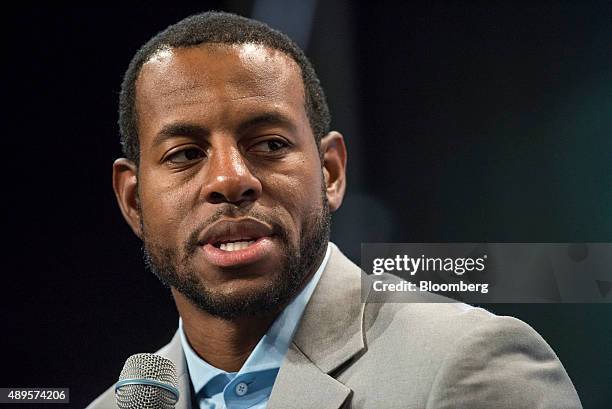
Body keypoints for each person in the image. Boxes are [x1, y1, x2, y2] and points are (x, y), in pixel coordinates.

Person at [88, 11, 582, 409]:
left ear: (330, 172)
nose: (229, 179)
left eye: (269, 143)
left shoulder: (471, 364)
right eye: (186, 155)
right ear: (133, 201)